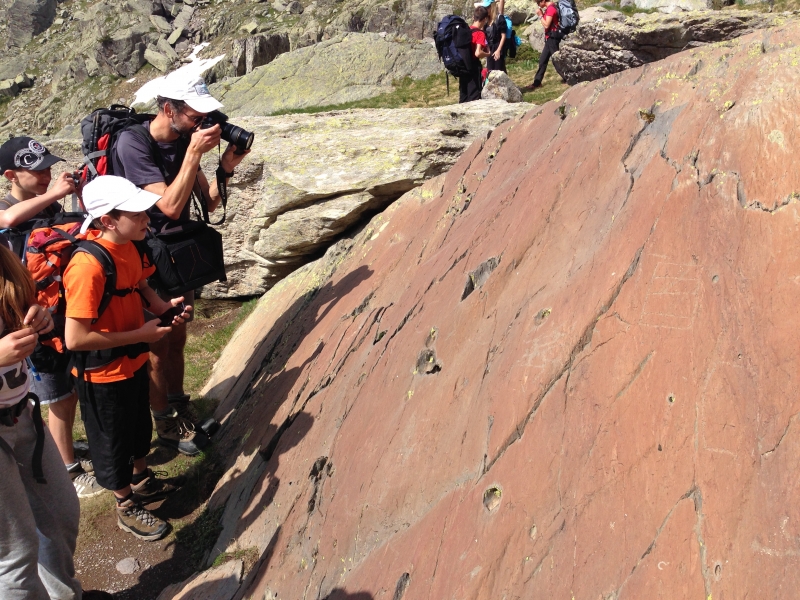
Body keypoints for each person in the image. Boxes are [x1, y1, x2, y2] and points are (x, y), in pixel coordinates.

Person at [111, 75, 249, 456]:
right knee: (158, 340)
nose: (203, 121)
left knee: (179, 332)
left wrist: (225, 165)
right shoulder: (133, 144)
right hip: (144, 255)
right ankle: (164, 422)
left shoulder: (181, 140)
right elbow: (169, 207)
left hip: (174, 250)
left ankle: (178, 401)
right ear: (169, 108)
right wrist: (192, 154)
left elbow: (211, 202)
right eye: (196, 113)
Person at [63, 175, 191, 541]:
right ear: (108, 220)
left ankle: (142, 480)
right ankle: (125, 505)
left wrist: (164, 309)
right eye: (137, 214)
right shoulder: (86, 267)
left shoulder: (131, 246)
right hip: (101, 374)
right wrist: (142, 335)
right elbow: (75, 337)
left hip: (130, 362)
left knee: (138, 429)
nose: (147, 219)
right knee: (113, 441)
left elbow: (140, 285)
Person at [0, 238, 112, 599]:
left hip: (23, 415)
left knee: (60, 517)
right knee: (15, 555)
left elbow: (21, 306)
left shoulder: (4, 259)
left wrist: (40, 316)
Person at [0, 136, 103, 499]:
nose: (46, 175)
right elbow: (9, 218)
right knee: (56, 396)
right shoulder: (6, 208)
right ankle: (70, 471)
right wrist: (54, 194)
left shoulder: (46, 209)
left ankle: (66, 451)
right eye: (37, 170)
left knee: (70, 389)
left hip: (61, 312)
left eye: (48, 168)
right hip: (27, 321)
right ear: (11, 175)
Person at [460, 6, 491, 103]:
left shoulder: (467, 30)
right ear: (485, 19)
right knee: (473, 96)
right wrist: (488, 54)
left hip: (463, 66)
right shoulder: (480, 33)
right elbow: (478, 53)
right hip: (473, 67)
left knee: (463, 95)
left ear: (474, 17)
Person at [528, 0, 559, 89]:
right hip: (549, 38)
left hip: (552, 38)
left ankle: (567, 77)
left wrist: (540, 15)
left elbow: (546, 25)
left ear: (543, 1)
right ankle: (537, 82)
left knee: (556, 60)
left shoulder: (551, 9)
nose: (538, 5)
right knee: (543, 60)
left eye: (538, 3)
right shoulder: (550, 8)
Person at [481, 0, 508, 73]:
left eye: (487, 7)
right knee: (490, 72)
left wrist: (498, 50)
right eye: (484, 8)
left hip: (498, 47)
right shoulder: (486, 21)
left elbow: (503, 36)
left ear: (492, 7)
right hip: (489, 49)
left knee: (499, 71)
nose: (485, 10)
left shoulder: (499, 18)